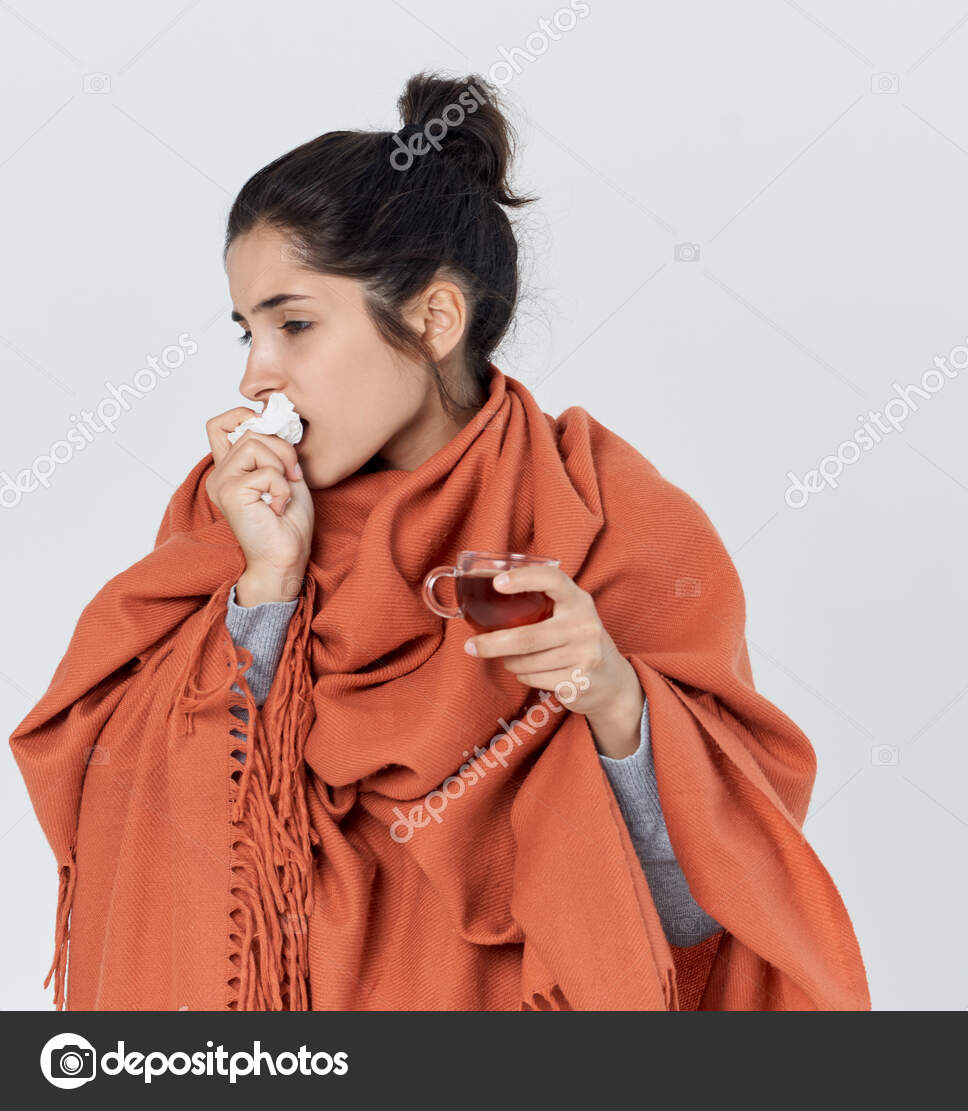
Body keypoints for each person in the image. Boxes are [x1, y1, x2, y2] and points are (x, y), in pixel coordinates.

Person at [9, 71, 870, 1011]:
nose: (259, 373)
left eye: (294, 324)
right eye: (247, 330)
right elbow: (178, 851)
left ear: (431, 320)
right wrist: (269, 586)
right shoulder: (225, 523)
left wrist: (618, 705)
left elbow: (692, 924)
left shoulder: (615, 526)